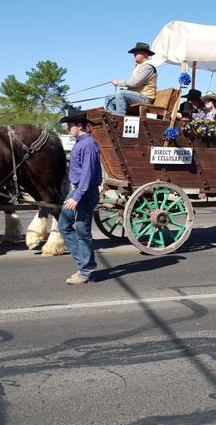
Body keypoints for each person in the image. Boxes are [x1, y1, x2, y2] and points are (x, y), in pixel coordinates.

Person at [58, 110, 103, 285]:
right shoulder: (80, 143)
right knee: (64, 225)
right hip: (78, 191)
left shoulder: (88, 145)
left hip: (84, 193)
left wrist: (76, 197)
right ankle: (85, 263)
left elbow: (87, 174)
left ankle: (86, 271)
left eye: (70, 126)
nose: (69, 128)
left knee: (83, 231)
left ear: (80, 126)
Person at [104, 42, 158, 115]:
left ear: (145, 54)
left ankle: (121, 117)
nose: (134, 54)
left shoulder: (147, 67)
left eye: (137, 52)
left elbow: (135, 82)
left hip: (145, 98)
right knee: (109, 97)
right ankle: (112, 119)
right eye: (134, 53)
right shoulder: (140, 66)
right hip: (137, 96)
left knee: (121, 93)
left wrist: (118, 82)